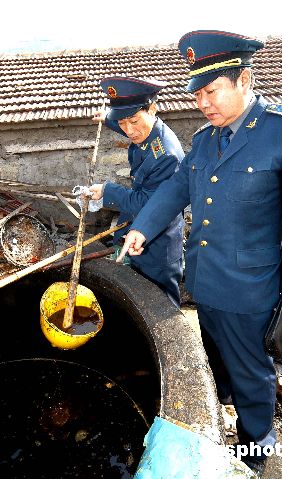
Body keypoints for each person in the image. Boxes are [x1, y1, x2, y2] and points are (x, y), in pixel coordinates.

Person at [116, 30, 282, 479]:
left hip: (249, 288)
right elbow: (176, 188)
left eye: (211, 91)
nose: (203, 102)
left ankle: (255, 447)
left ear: (243, 80)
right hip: (203, 282)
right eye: (197, 93)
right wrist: (142, 226)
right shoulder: (204, 140)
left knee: (251, 374)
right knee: (219, 359)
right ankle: (220, 406)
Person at [89, 76, 185, 307]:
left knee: (162, 303)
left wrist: (106, 191)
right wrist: (110, 120)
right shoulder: (143, 130)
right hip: (138, 231)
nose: (129, 131)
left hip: (159, 242)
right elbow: (127, 122)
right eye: (122, 123)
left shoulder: (165, 155)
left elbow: (145, 203)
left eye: (133, 120)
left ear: (152, 109)